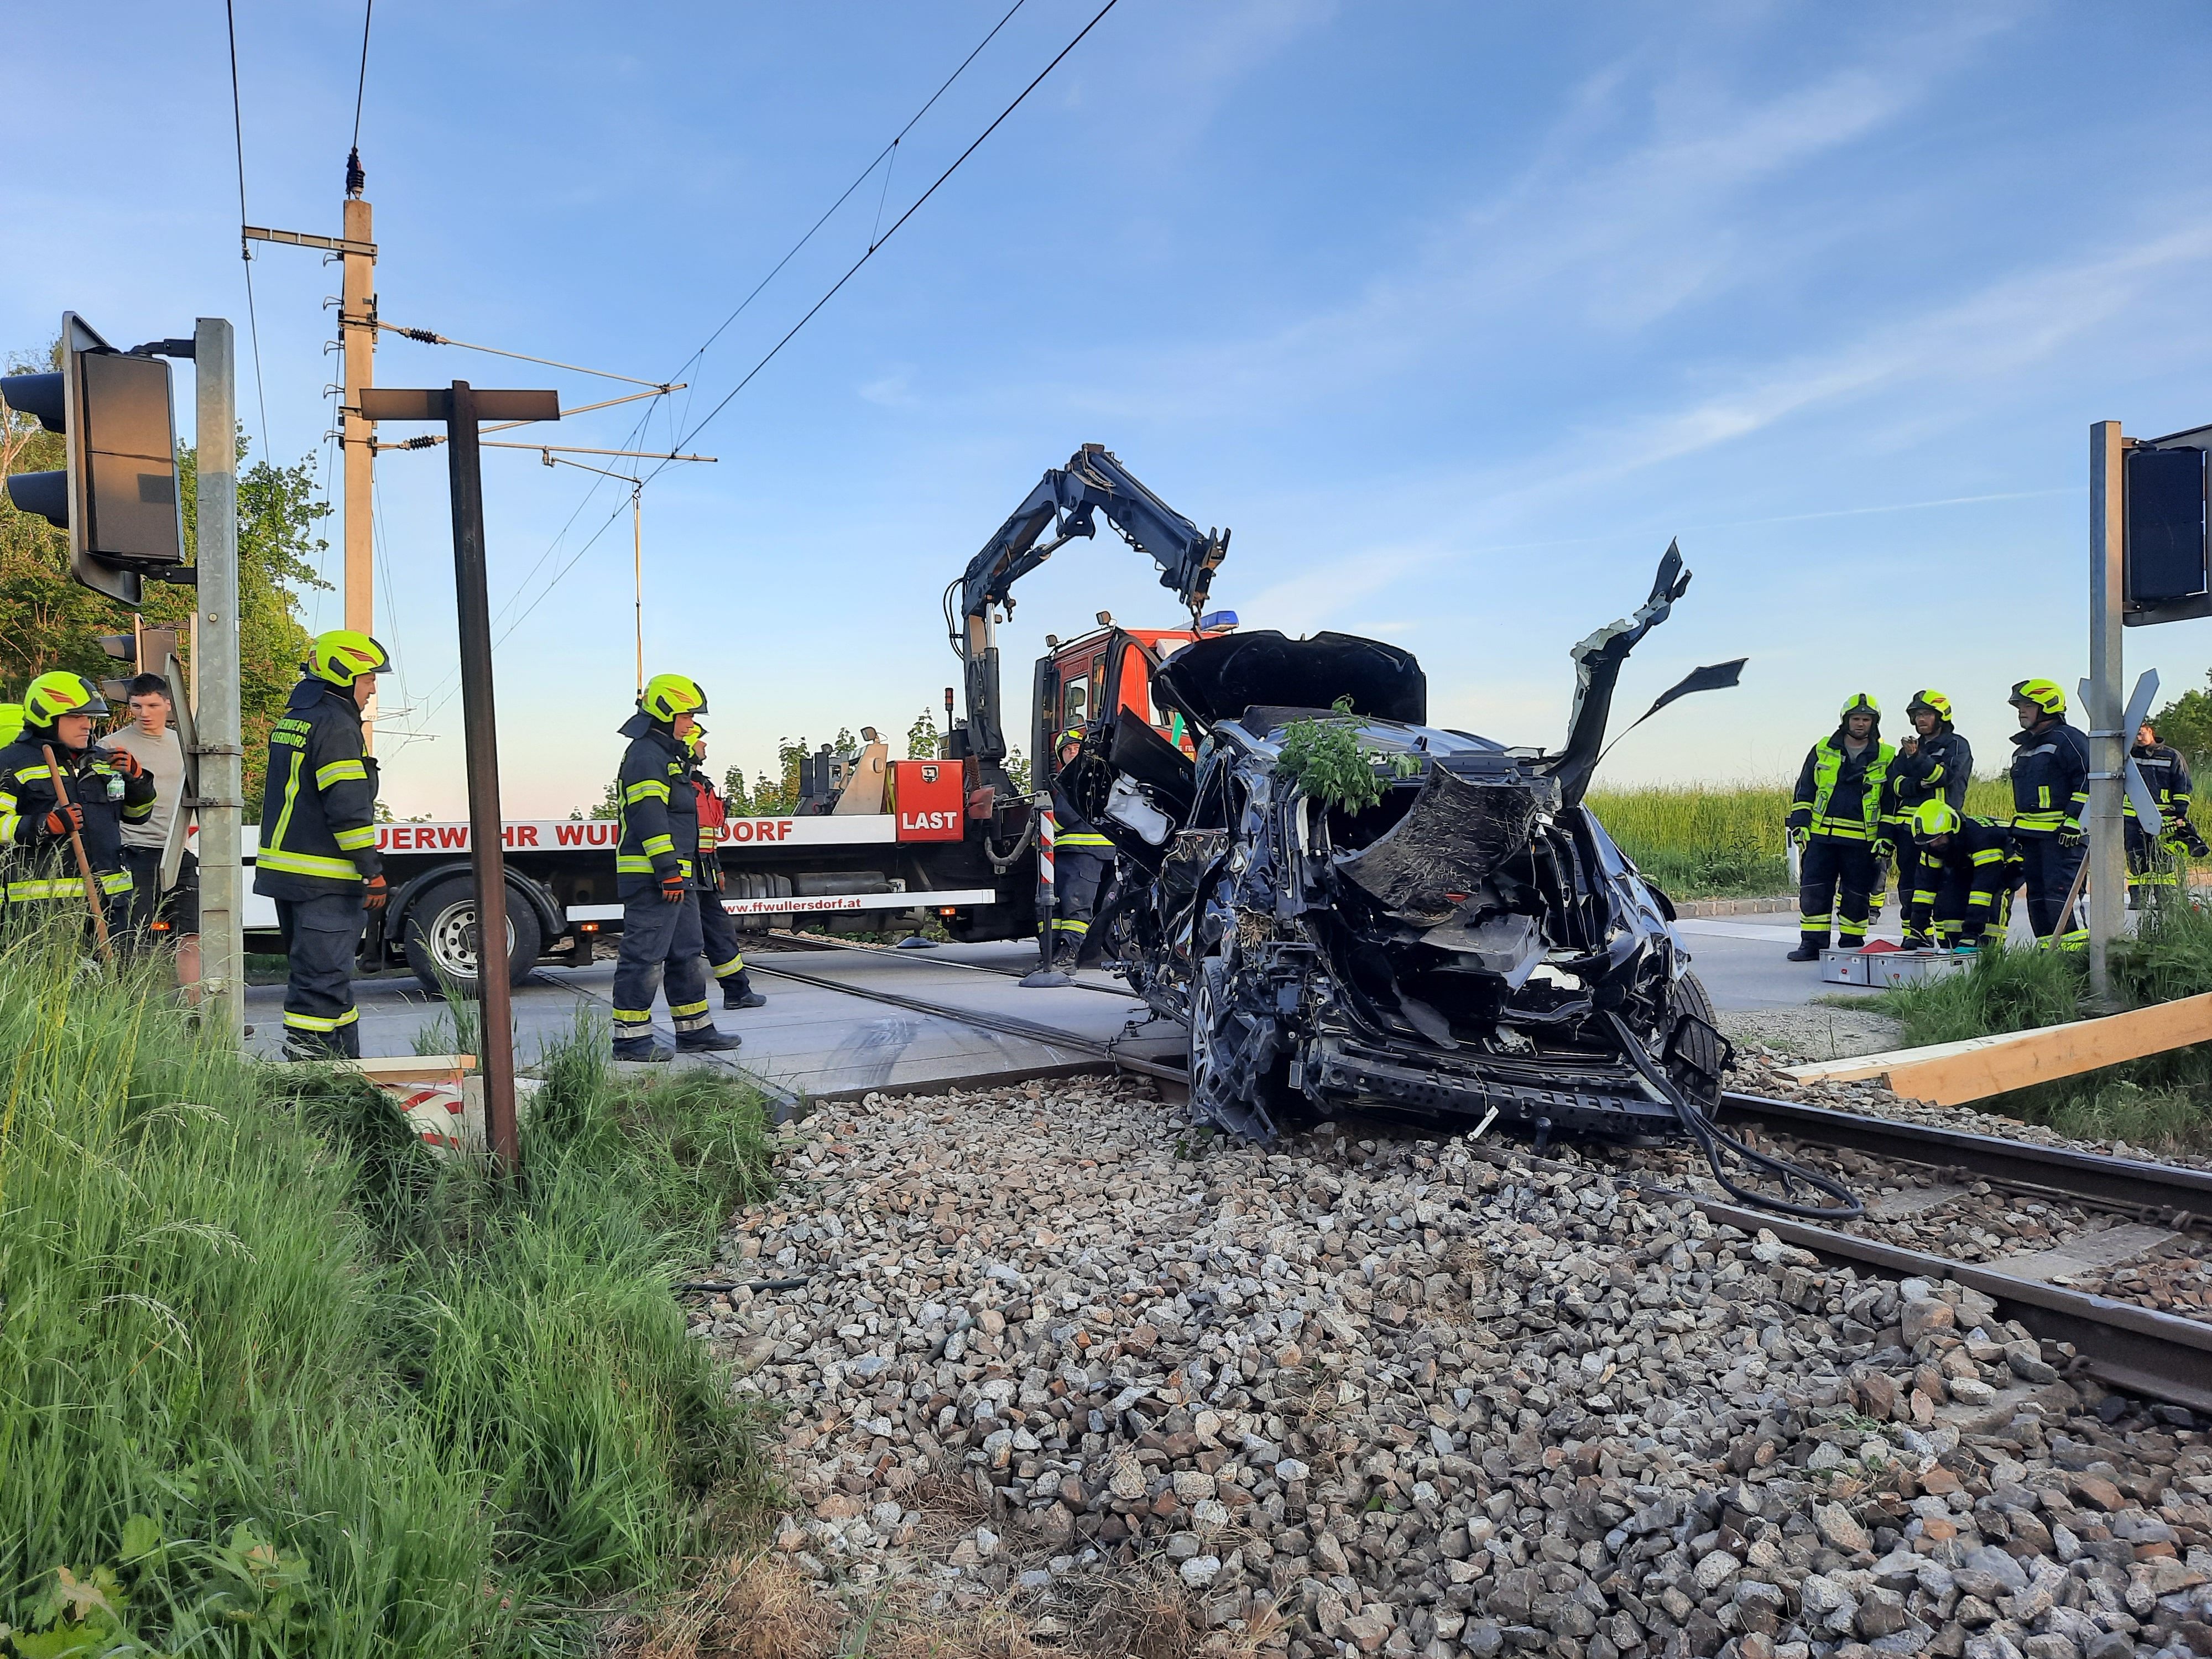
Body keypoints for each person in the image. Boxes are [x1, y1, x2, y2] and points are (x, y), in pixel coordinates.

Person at [253, 630, 391, 1059]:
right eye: (368, 678)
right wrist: (373, 870)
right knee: (320, 986)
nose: (372, 689)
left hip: (291, 877)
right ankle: (313, 1090)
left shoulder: (298, 717)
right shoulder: (336, 726)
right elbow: (348, 810)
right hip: (325, 882)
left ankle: (347, 1071)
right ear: (344, 673)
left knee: (327, 982)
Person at [611, 673, 739, 1061]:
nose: (691, 724)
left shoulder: (666, 756)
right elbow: (650, 818)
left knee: (686, 951)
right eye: (686, 716)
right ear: (665, 714)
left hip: (676, 876)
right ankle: (631, 1041)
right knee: (644, 957)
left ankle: (695, 1031)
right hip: (655, 877)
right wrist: (667, 869)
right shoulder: (645, 756)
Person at [0, 672, 154, 942]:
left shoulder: (102, 761)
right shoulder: (11, 764)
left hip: (110, 907)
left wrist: (138, 780)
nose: (87, 726)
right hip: (43, 912)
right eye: (76, 717)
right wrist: (43, 825)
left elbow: (137, 816)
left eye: (89, 717)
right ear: (45, 716)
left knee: (111, 982)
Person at [106, 672, 201, 996]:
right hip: (132, 852)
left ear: (168, 705)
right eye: (136, 706)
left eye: (152, 705)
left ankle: (195, 1012)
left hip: (178, 852)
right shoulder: (112, 747)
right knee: (137, 938)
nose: (144, 713)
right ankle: (144, 1014)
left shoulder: (185, 745)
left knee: (192, 933)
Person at [1785, 693, 1896, 962]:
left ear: (1874, 722)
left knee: (1857, 896)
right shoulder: (1823, 748)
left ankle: (1852, 945)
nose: (1860, 724)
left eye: (1866, 719)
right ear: (1845, 720)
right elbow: (1805, 790)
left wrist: (1886, 837)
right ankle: (1812, 945)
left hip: (1862, 841)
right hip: (1821, 838)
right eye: (1856, 718)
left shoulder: (1888, 755)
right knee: (1814, 893)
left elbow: (1891, 801)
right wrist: (1800, 825)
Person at [2006, 677, 2090, 945]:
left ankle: (2076, 963)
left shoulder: (2070, 739)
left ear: (2048, 706)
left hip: (2063, 838)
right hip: (2033, 840)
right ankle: (2050, 961)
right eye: (2019, 706)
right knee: (2038, 903)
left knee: (2061, 899)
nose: (2021, 711)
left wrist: (2075, 820)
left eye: (2028, 705)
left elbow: (2089, 779)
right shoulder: (2024, 748)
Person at [685, 729, 765, 1011]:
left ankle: (738, 992)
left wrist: (716, 867)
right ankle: (692, 1011)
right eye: (698, 738)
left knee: (720, 931)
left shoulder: (699, 784)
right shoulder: (679, 785)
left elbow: (706, 835)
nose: (704, 744)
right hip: (684, 876)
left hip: (702, 873)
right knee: (687, 944)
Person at [1888, 689, 1972, 948]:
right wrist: (1917, 782)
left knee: (1947, 884)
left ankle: (1951, 939)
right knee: (1910, 884)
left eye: (1926, 714)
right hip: (1909, 829)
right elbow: (1895, 783)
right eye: (1917, 715)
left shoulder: (1956, 745)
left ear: (1941, 716)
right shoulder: (1909, 749)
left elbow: (1943, 777)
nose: (1920, 720)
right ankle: (1916, 933)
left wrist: (1918, 759)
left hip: (1943, 831)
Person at [1047, 724, 1117, 968]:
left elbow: (1065, 815)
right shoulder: (1073, 779)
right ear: (1061, 757)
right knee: (1061, 905)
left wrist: (1045, 828)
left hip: (1084, 853)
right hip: (1072, 853)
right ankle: (1053, 955)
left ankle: (1067, 956)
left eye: (1077, 748)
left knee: (1076, 905)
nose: (1072, 752)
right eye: (1067, 750)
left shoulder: (1083, 777)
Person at [1908, 800, 2017, 952]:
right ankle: (1953, 951)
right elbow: (1924, 889)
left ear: (1952, 831)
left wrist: (1972, 934)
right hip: (1968, 863)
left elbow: (1983, 890)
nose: (1934, 845)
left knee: (1993, 904)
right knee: (1949, 900)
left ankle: (1989, 956)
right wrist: (1916, 931)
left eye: (1938, 839)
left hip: (2007, 864)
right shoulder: (1933, 844)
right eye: (1930, 842)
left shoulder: (1983, 838)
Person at [2124, 720, 2206, 906]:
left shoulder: (2171, 756)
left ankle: (2165, 898)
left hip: (2164, 818)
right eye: (2134, 734)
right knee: (2136, 857)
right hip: (2132, 817)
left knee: (2163, 857)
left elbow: (2182, 787)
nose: (2138, 737)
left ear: (2150, 731)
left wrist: (2180, 815)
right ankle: (2139, 898)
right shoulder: (2127, 757)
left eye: (2141, 732)